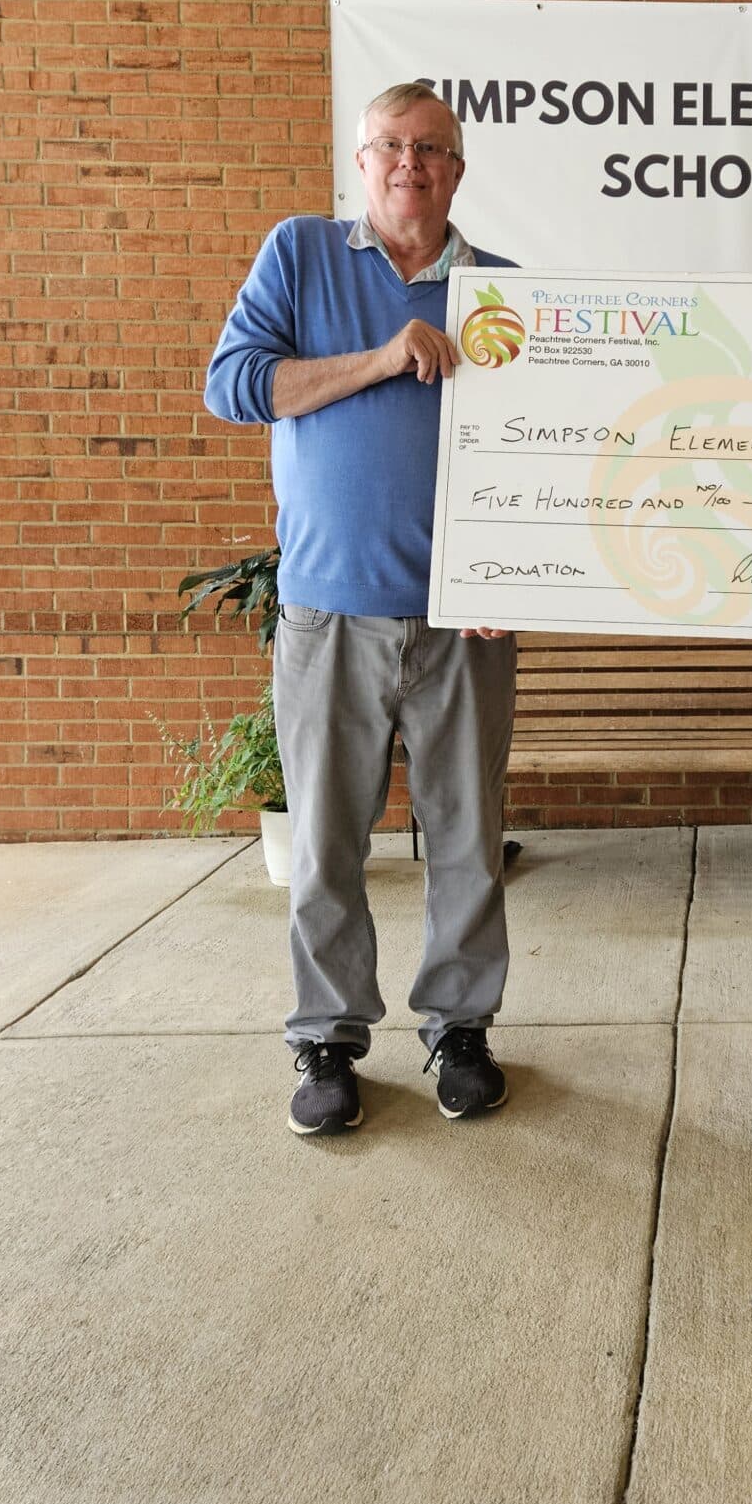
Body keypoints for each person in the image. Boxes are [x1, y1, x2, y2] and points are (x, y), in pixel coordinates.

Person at [205, 82, 520, 1137]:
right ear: (361, 157)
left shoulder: (502, 291)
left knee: (469, 837)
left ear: (458, 170)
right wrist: (389, 355)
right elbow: (236, 385)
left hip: (462, 620)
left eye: (430, 148)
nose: (408, 164)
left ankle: (460, 1027)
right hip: (329, 611)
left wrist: (514, 572)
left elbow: (548, 455)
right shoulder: (298, 254)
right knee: (329, 838)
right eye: (390, 144)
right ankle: (328, 1037)